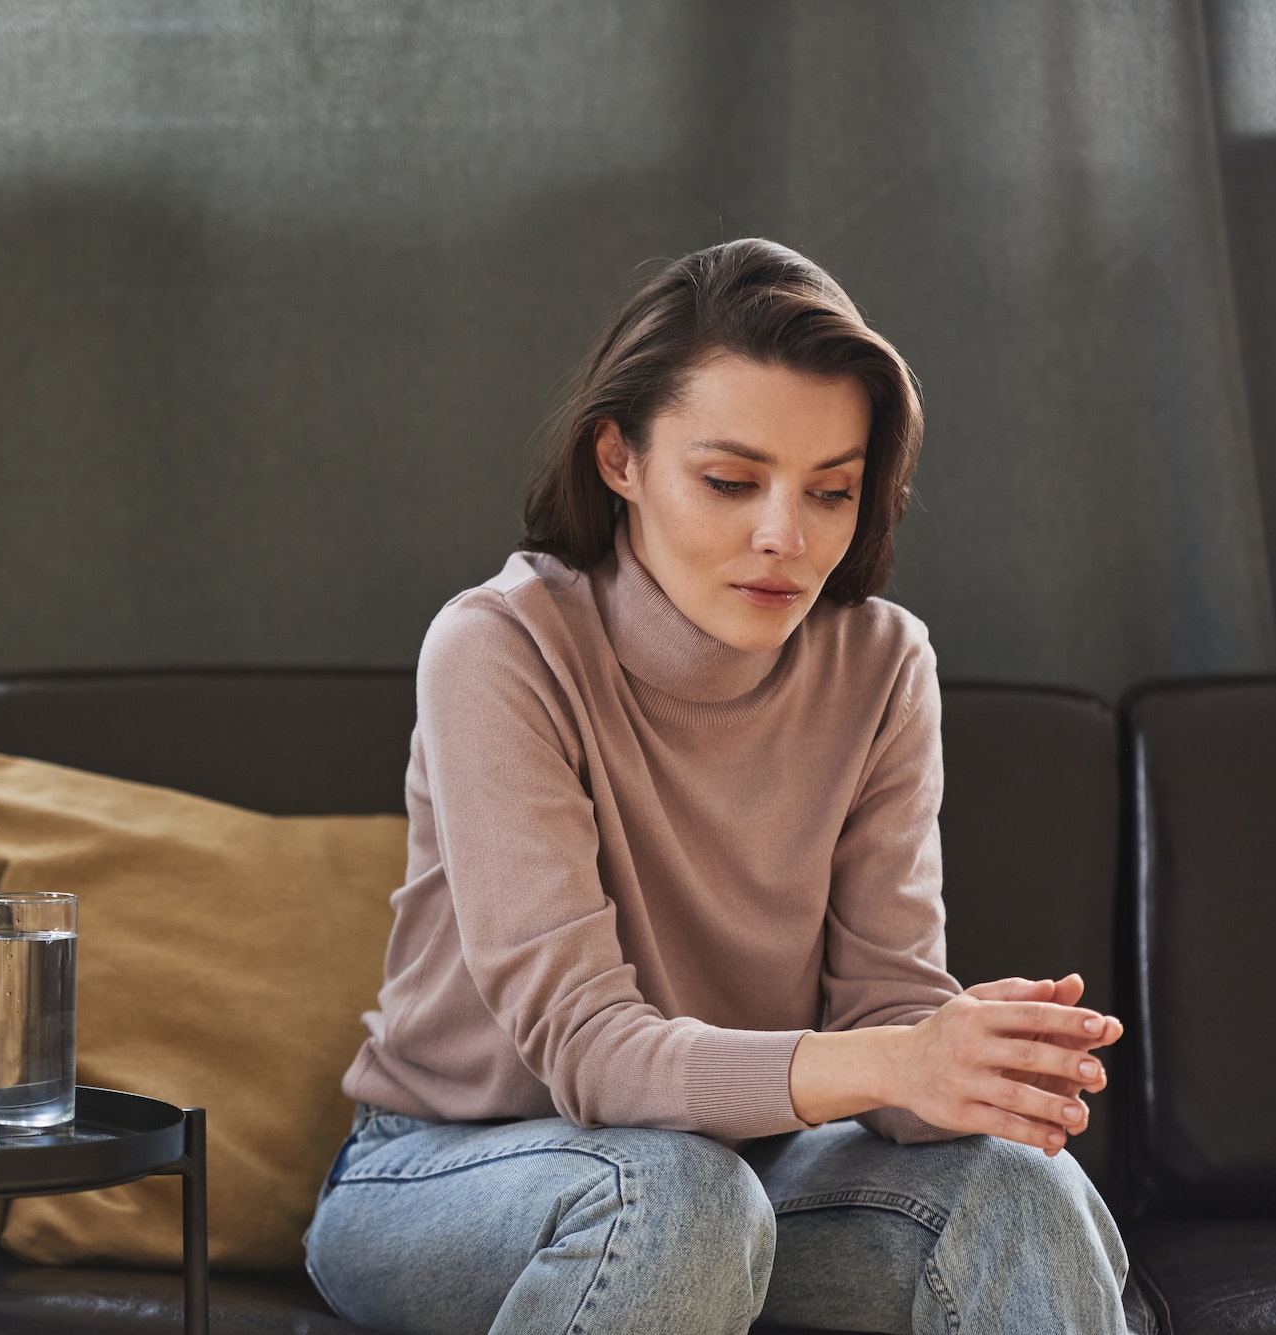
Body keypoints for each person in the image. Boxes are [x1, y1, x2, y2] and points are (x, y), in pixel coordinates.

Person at [303, 238, 1129, 1335]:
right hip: (448, 1176)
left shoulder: (881, 665)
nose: (783, 537)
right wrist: (891, 1057)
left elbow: (885, 1008)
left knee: (1021, 1191)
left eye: (830, 491)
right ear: (619, 460)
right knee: (672, 1194)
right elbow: (589, 1049)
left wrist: (965, 1066)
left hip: (742, 1180)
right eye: (729, 481)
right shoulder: (499, 648)